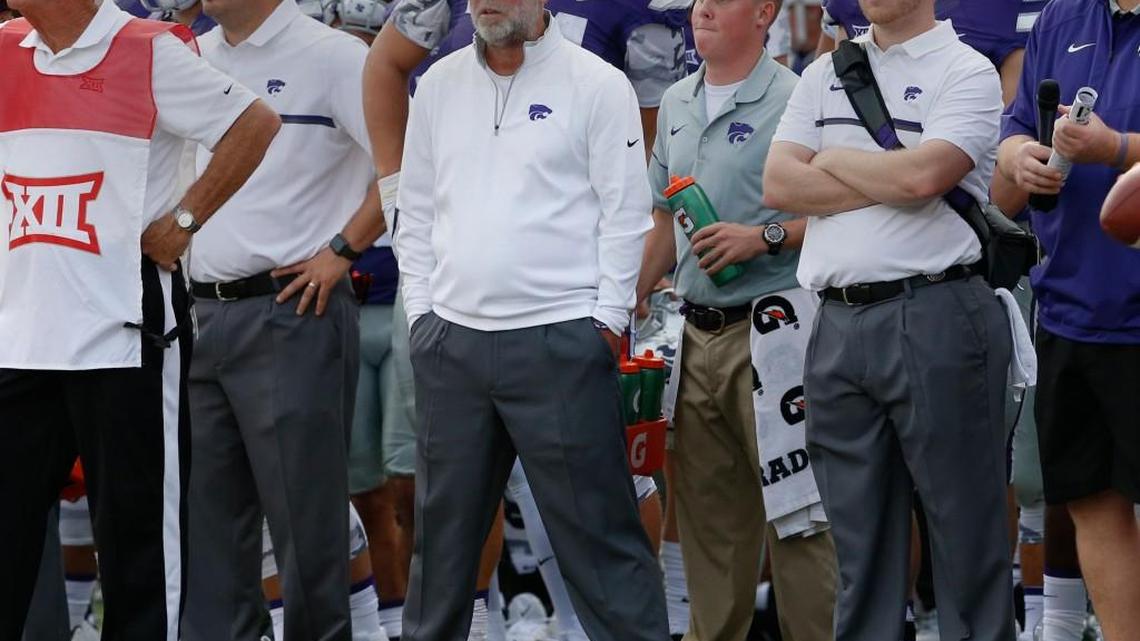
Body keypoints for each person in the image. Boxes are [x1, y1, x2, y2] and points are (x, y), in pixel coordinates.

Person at [0, 0, 279, 639]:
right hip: (21, 339)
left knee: (141, 562)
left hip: (126, 336)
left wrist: (184, 222)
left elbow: (255, 123)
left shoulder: (149, 48)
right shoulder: (7, 47)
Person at [393, 0, 669, 638]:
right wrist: (422, 317)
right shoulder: (437, 84)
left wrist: (602, 323)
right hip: (452, 344)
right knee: (441, 560)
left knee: (602, 546)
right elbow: (417, 209)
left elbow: (626, 214)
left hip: (562, 339)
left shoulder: (597, 83)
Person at [763, 0, 1015, 639]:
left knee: (965, 543)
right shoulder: (824, 71)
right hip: (837, 322)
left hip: (935, 311)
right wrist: (893, 179)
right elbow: (779, 184)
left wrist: (833, 160)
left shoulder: (966, 69)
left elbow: (928, 176)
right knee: (859, 550)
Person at [179, 0, 384, 640]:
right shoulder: (193, 55)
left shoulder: (337, 57)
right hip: (197, 314)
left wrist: (343, 250)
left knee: (307, 530)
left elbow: (405, 167)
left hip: (292, 311)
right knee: (206, 533)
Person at [637, 1, 838, 641]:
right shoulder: (675, 100)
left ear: (765, 13)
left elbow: (848, 211)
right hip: (695, 338)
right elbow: (664, 217)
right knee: (708, 532)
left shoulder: (799, 96)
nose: (703, 9)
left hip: (781, 337)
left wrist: (764, 238)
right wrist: (628, 301)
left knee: (804, 523)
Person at [996, 1, 1140, 640]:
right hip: (1070, 305)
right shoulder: (1060, 18)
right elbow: (1014, 130)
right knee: (1089, 501)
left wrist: (1117, 149)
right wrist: (1020, 156)